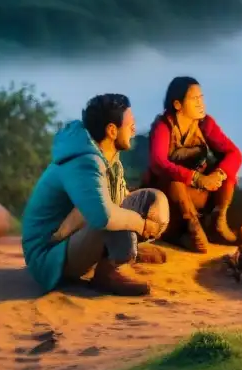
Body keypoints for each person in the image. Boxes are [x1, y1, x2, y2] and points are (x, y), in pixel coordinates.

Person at [21, 94, 170, 297]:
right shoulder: (85, 161)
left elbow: (121, 197)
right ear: (111, 130)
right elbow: (103, 216)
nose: (134, 129)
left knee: (154, 200)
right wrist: (141, 225)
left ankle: (119, 255)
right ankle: (107, 273)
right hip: (49, 255)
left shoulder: (110, 159)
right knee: (110, 217)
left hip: (75, 236)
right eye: (130, 124)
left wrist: (145, 213)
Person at [142, 76, 242, 253]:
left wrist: (218, 174)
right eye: (194, 99)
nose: (200, 103)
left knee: (226, 168)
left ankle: (218, 220)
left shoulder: (205, 124)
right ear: (177, 105)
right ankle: (191, 227)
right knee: (174, 179)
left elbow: (234, 153)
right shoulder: (163, 126)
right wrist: (196, 178)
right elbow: (158, 163)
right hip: (170, 197)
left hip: (198, 195)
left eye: (201, 98)